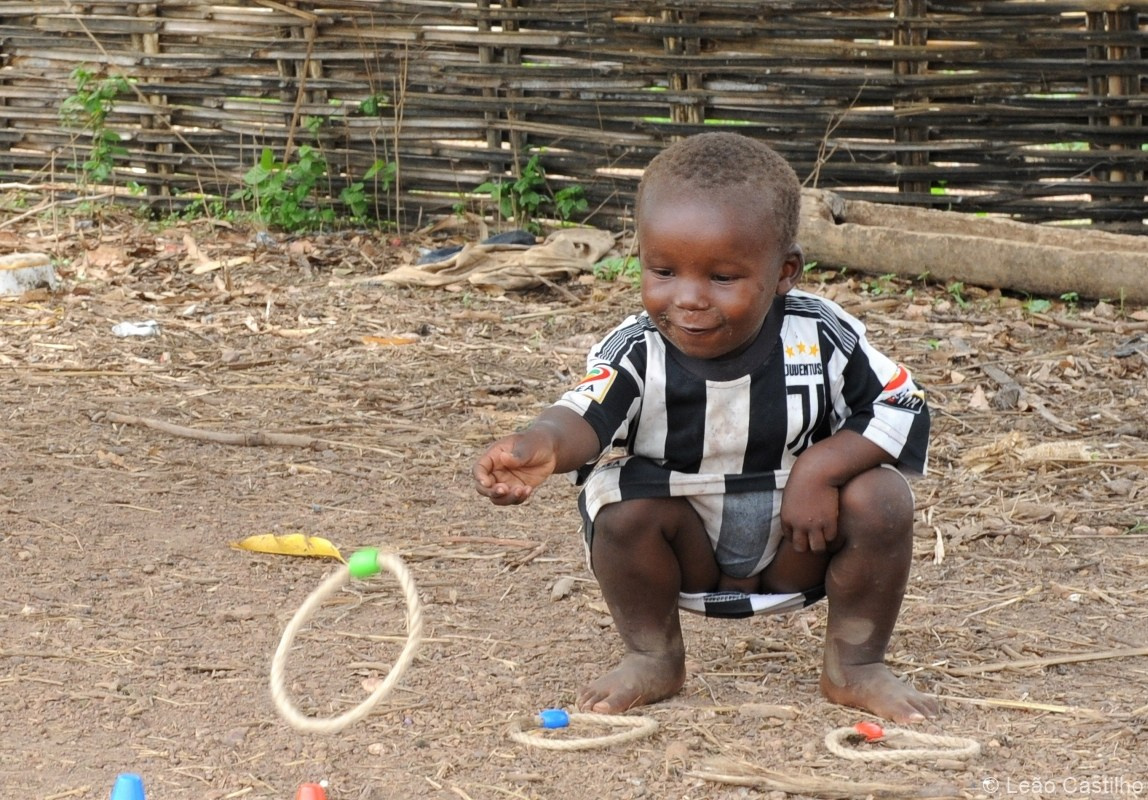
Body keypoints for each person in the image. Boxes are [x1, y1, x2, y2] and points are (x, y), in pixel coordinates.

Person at [473, 132, 938, 724]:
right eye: (663, 271)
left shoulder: (821, 334)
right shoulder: (637, 349)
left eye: (722, 277)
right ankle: (653, 654)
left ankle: (856, 663)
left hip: (799, 541)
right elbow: (585, 411)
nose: (688, 299)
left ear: (783, 271)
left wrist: (820, 469)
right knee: (617, 503)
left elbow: (903, 403)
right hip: (683, 550)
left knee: (883, 495)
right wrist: (541, 443)